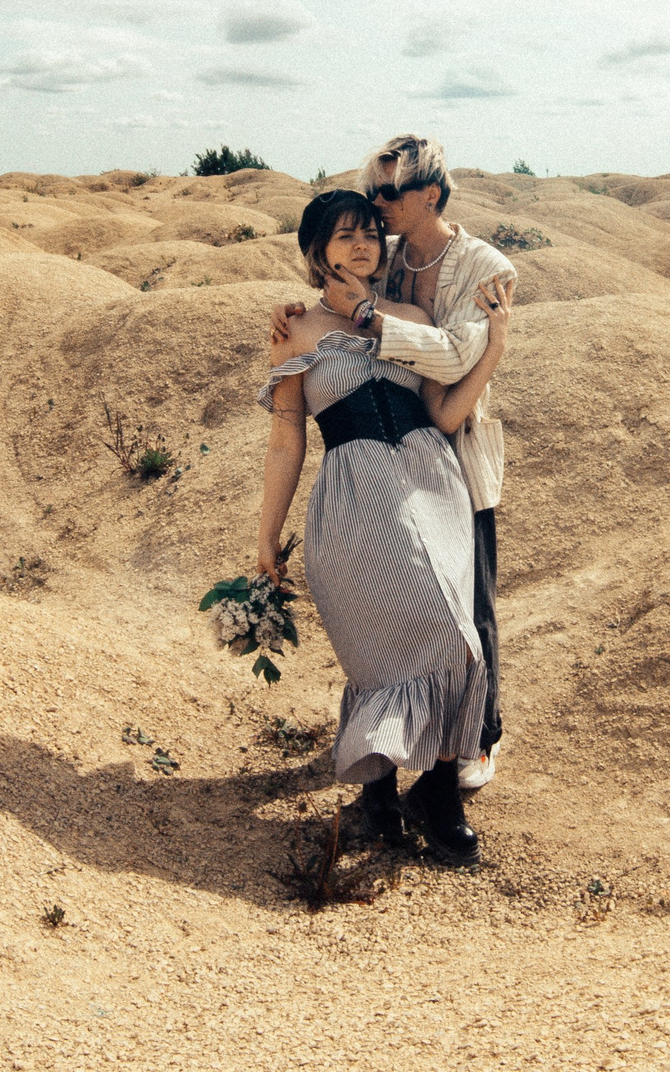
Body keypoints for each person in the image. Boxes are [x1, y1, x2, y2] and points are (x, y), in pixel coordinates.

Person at [259, 189, 514, 862]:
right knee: (387, 641)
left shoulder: (407, 313)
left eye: (371, 232)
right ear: (316, 252)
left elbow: (446, 405)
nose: (363, 243)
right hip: (355, 497)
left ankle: (433, 789)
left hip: (435, 484)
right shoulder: (296, 329)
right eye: (344, 236)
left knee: (452, 627)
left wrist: (495, 345)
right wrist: (266, 535)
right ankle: (384, 790)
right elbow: (287, 439)